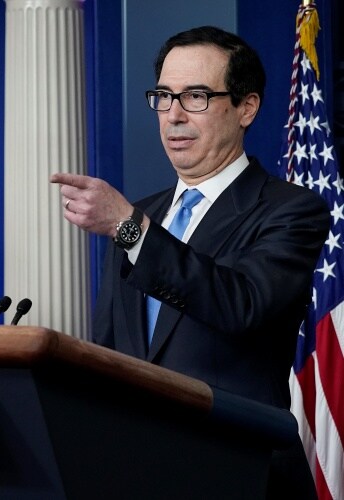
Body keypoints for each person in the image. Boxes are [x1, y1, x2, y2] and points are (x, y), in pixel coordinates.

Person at [51, 26, 329, 498]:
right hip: (133, 475)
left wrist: (129, 226)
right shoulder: (140, 214)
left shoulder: (290, 209)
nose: (173, 115)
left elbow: (242, 304)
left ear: (247, 108)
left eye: (196, 96)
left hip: (236, 473)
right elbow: (109, 350)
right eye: (163, 96)